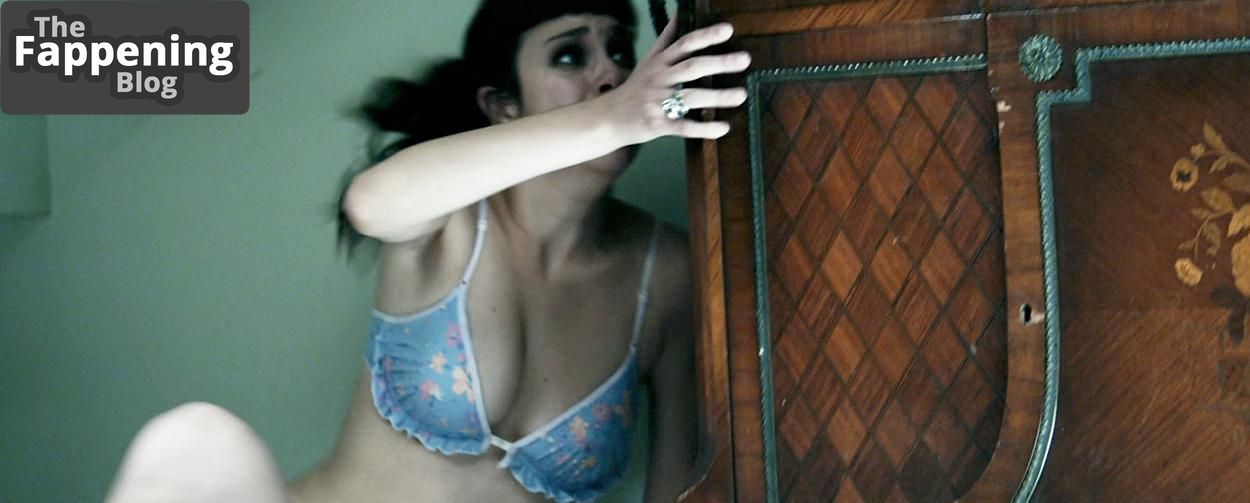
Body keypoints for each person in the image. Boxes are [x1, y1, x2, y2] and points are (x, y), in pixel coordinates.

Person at [104, 0, 749, 501]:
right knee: (193, 443)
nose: (611, 73)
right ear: (502, 106)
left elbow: (682, 488)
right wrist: (614, 117)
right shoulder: (451, 220)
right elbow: (370, 203)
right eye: (569, 57)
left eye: (620, 50)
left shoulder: (668, 273)